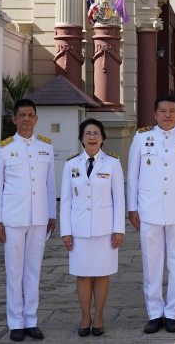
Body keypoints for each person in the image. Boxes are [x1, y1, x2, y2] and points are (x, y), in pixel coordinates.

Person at [127, 95, 175, 334]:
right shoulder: (142, 137)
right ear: (155, 114)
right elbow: (133, 176)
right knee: (151, 263)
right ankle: (154, 313)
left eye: (172, 111)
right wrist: (132, 207)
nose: (167, 115)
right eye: (162, 111)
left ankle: (172, 313)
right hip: (149, 210)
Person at [0, 99, 56, 342]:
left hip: (38, 218)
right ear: (14, 119)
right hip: (13, 218)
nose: (27, 119)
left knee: (33, 271)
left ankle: (31, 320)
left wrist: (51, 214)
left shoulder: (45, 146)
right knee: (14, 271)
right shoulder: (3, 149)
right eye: (22, 115)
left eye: (30, 115)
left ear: (36, 119)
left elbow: (50, 184)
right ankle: (15, 322)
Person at [60, 119, 125, 337]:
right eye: (87, 133)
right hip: (78, 230)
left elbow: (119, 199)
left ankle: (99, 316)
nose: (92, 137)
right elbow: (66, 201)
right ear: (81, 138)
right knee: (83, 274)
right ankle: (85, 316)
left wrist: (119, 229)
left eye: (96, 133)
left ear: (103, 138)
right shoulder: (71, 164)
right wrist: (66, 231)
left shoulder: (112, 163)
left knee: (102, 274)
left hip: (104, 229)